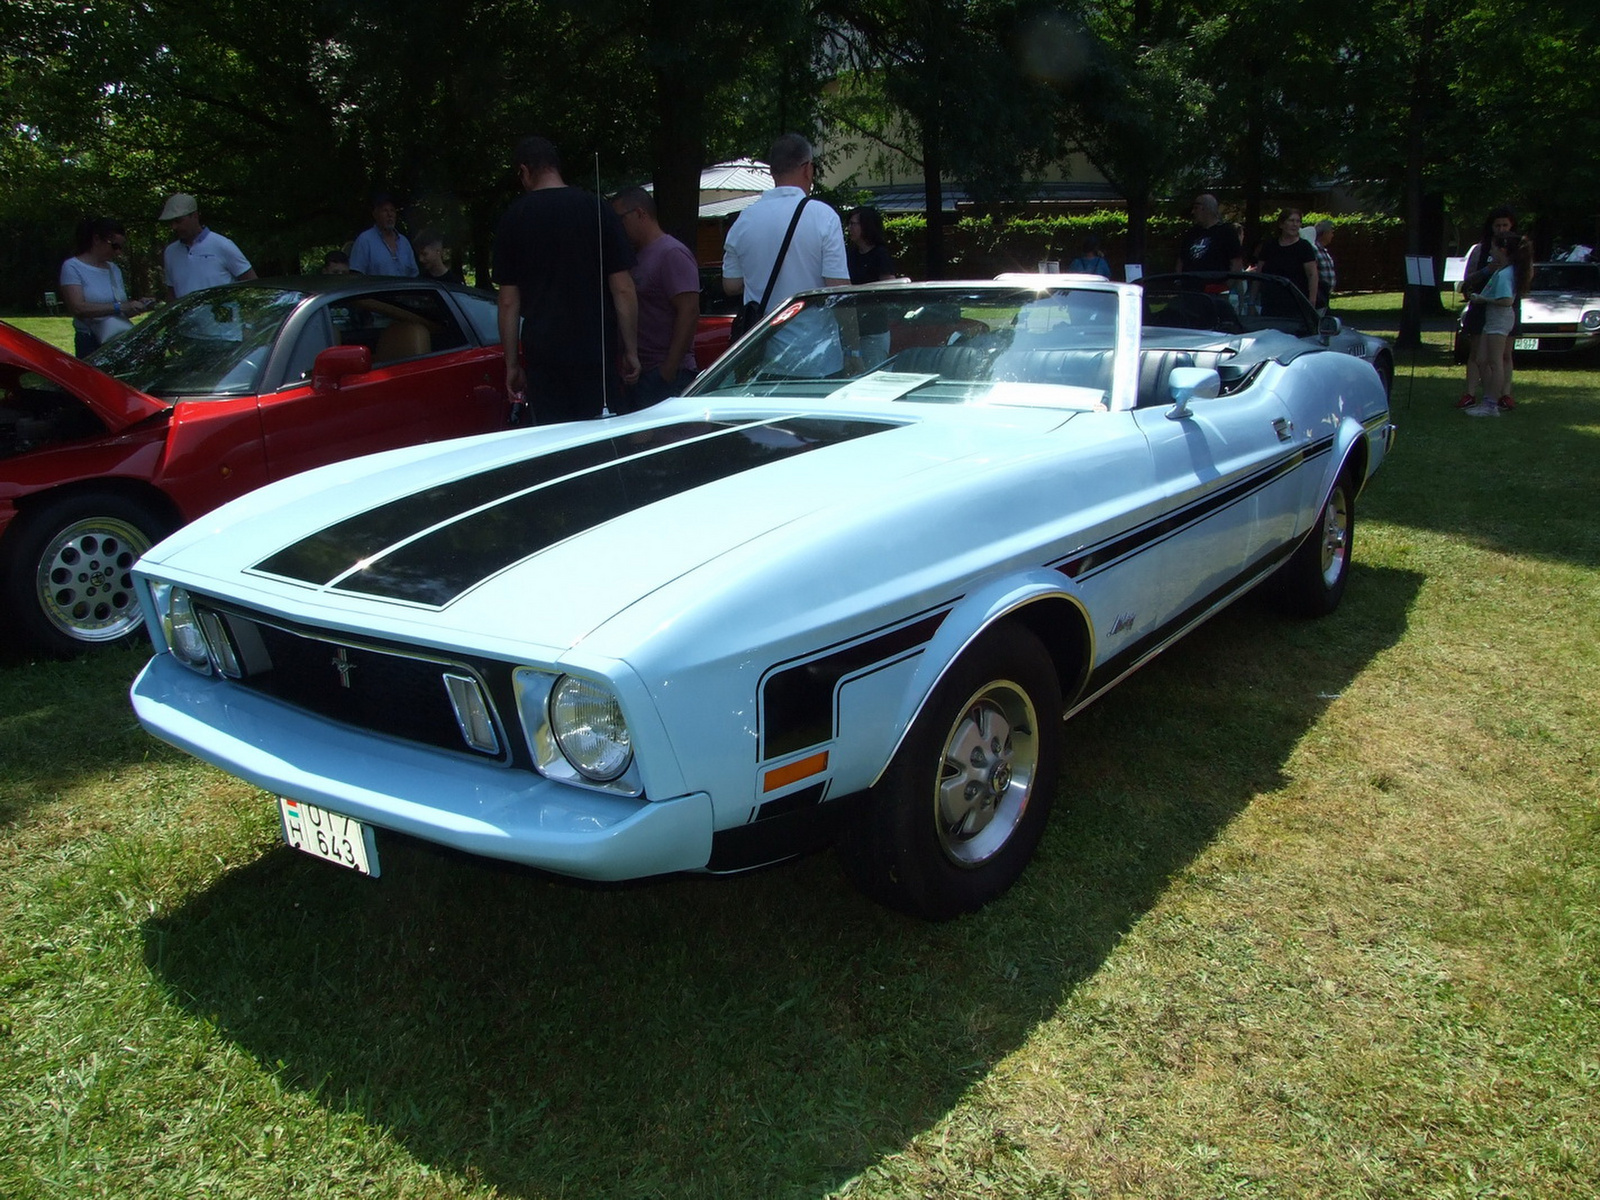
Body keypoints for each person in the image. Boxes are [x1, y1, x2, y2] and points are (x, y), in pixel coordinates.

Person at [493, 135, 640, 424]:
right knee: (602, 437)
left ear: (524, 171)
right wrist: (631, 349)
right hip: (596, 352)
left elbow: (509, 302)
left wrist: (511, 364)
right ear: (556, 167)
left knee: (555, 440)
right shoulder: (597, 208)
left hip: (545, 356)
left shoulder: (513, 219)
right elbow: (623, 288)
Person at [722, 133, 849, 373]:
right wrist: (854, 351)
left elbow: (731, 285)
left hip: (762, 359)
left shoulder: (743, 220)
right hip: (818, 359)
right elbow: (838, 289)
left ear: (773, 172)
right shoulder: (823, 216)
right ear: (808, 169)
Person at [610, 186, 700, 407]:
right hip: (640, 373)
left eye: (620, 219)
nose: (617, 228)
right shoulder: (636, 257)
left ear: (640, 213)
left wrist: (668, 370)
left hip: (665, 375)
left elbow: (689, 311)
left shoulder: (671, 253)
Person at [59, 217, 156, 357]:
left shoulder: (114, 269)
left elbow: (120, 308)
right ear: (97, 239)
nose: (118, 252)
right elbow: (77, 308)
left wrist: (139, 306)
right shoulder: (73, 267)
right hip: (90, 341)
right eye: (114, 246)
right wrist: (119, 307)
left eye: (121, 247)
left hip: (116, 337)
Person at [1464, 232, 1533, 418]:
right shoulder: (1504, 271)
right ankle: (1487, 399)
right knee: (1481, 359)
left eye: (1494, 248)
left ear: (1502, 250)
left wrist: (1482, 298)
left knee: (1495, 362)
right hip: (1493, 318)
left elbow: (1506, 300)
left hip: (1499, 319)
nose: (1492, 251)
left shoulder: (1505, 274)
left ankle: (1491, 405)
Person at [1458, 206, 1518, 409]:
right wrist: (1487, 270)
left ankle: (1503, 394)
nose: (1501, 229)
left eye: (1505, 225)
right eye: (1497, 225)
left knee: (1503, 354)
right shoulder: (1480, 250)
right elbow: (1467, 280)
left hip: (1503, 308)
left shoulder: (1517, 251)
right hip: (1481, 306)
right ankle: (1471, 393)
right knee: (1477, 354)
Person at [158, 193, 256, 299]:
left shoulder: (222, 245)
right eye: (171, 222)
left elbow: (253, 285)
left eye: (178, 221)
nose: (174, 227)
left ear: (195, 216)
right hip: (188, 315)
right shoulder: (170, 252)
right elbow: (172, 294)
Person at [846, 205, 897, 368]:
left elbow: (889, 288)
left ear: (866, 226)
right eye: (849, 224)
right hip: (852, 330)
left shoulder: (880, 254)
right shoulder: (850, 254)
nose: (850, 228)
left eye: (854, 224)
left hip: (874, 330)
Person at [1253, 208, 1319, 308]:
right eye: (1291, 221)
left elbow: (1312, 275)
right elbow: (1259, 274)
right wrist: (1251, 302)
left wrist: (1312, 302)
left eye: (1298, 221)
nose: (1295, 224)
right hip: (1270, 301)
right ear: (1281, 224)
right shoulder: (1269, 245)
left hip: (1296, 302)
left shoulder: (1304, 247)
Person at [350, 193, 418, 277]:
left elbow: (414, 275)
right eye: (384, 210)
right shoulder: (364, 241)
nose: (390, 215)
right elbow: (356, 276)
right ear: (375, 214)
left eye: (392, 210)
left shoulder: (404, 242)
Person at [1175, 194, 1243, 275]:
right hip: (1190, 284)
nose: (1193, 212)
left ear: (1206, 208)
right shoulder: (1191, 233)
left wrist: (1227, 285)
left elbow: (1236, 262)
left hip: (1216, 284)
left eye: (1196, 208)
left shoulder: (1227, 232)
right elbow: (1181, 260)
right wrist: (1178, 280)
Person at [1312, 220, 1337, 310]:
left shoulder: (1323, 250)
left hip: (1325, 294)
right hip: (1318, 294)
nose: (1332, 235)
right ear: (1324, 233)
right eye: (1331, 232)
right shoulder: (1314, 249)